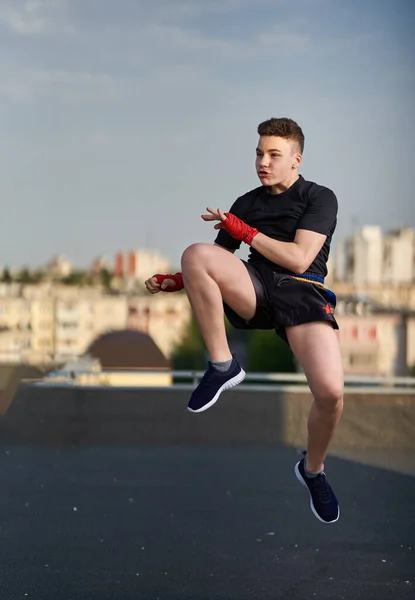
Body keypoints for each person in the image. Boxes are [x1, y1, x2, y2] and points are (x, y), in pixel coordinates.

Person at [145, 117, 343, 524]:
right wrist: (177, 281)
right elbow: (218, 261)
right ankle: (223, 365)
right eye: (258, 153)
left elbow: (299, 258)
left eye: (273, 154)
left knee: (330, 394)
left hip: (302, 289)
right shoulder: (247, 203)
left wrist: (246, 233)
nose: (263, 162)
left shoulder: (320, 198)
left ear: (296, 159)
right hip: (256, 286)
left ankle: (313, 470)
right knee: (195, 252)